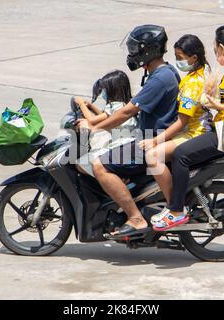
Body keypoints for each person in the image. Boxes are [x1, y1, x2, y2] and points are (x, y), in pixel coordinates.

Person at [152, 25, 224, 231]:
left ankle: (176, 210)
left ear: (220, 46)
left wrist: (220, 106)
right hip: (222, 128)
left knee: (181, 155)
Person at [76, 24, 180, 237]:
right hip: (149, 138)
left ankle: (135, 218)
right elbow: (130, 109)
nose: (132, 55)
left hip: (150, 142)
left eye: (135, 50)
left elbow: (127, 112)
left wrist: (94, 127)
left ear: (147, 50)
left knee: (100, 166)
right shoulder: (165, 72)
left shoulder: (160, 78)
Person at [137, 34, 212, 228]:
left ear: (193, 58)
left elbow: (181, 122)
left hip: (194, 133)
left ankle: (175, 209)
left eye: (180, 57)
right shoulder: (201, 72)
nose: (177, 61)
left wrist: (155, 141)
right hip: (194, 129)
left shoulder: (193, 83)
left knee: (153, 156)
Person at [74, 70, 138, 176]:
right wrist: (90, 106)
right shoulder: (125, 103)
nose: (103, 92)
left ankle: (110, 178)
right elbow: (106, 118)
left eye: (104, 89)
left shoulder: (116, 105)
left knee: (81, 163)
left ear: (112, 90)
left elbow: (92, 120)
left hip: (121, 145)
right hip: (126, 144)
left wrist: (81, 104)